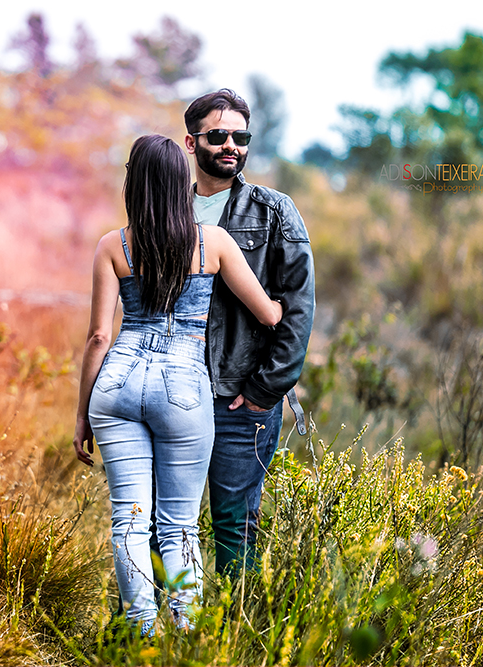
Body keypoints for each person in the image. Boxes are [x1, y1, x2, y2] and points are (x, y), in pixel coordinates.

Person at [73, 134, 283, 634]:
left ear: (133, 183)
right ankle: (186, 634)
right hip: (183, 389)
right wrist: (278, 305)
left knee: (128, 520)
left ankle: (142, 631)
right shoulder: (212, 243)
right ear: (179, 185)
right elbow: (268, 314)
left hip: (117, 384)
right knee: (178, 526)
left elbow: (100, 336)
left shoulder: (112, 245)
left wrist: (82, 414)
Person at [183, 89, 315, 575]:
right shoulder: (167, 208)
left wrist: (264, 390)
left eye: (241, 136)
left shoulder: (275, 211)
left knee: (234, 527)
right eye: (218, 135)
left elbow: (297, 307)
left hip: (240, 397)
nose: (231, 146)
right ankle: (152, 634)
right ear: (191, 142)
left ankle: (236, 635)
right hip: (173, 389)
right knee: (163, 521)